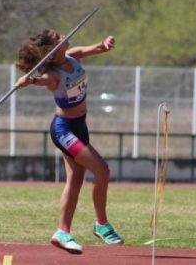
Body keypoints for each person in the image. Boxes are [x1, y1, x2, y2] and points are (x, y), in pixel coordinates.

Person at [14, 30, 123, 254]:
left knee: (75, 179)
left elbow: (93, 49)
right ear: (51, 50)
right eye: (57, 36)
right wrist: (30, 81)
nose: (64, 35)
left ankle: (62, 232)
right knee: (102, 170)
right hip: (64, 130)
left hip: (80, 126)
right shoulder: (53, 74)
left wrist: (105, 43)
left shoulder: (72, 56)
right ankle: (101, 225)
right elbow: (43, 80)